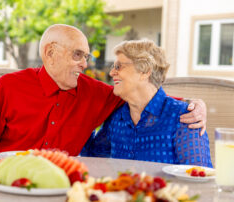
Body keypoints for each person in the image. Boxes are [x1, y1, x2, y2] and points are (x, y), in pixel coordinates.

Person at [0, 24, 207, 158]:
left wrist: (190, 105)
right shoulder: (8, 87)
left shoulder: (95, 93)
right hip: (6, 189)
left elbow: (144, 96)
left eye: (86, 56)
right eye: (77, 55)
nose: (85, 64)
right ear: (50, 53)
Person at [81, 40, 212, 167]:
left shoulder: (184, 117)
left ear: (144, 71)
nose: (111, 72)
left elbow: (199, 176)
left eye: (118, 66)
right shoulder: (116, 118)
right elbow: (92, 156)